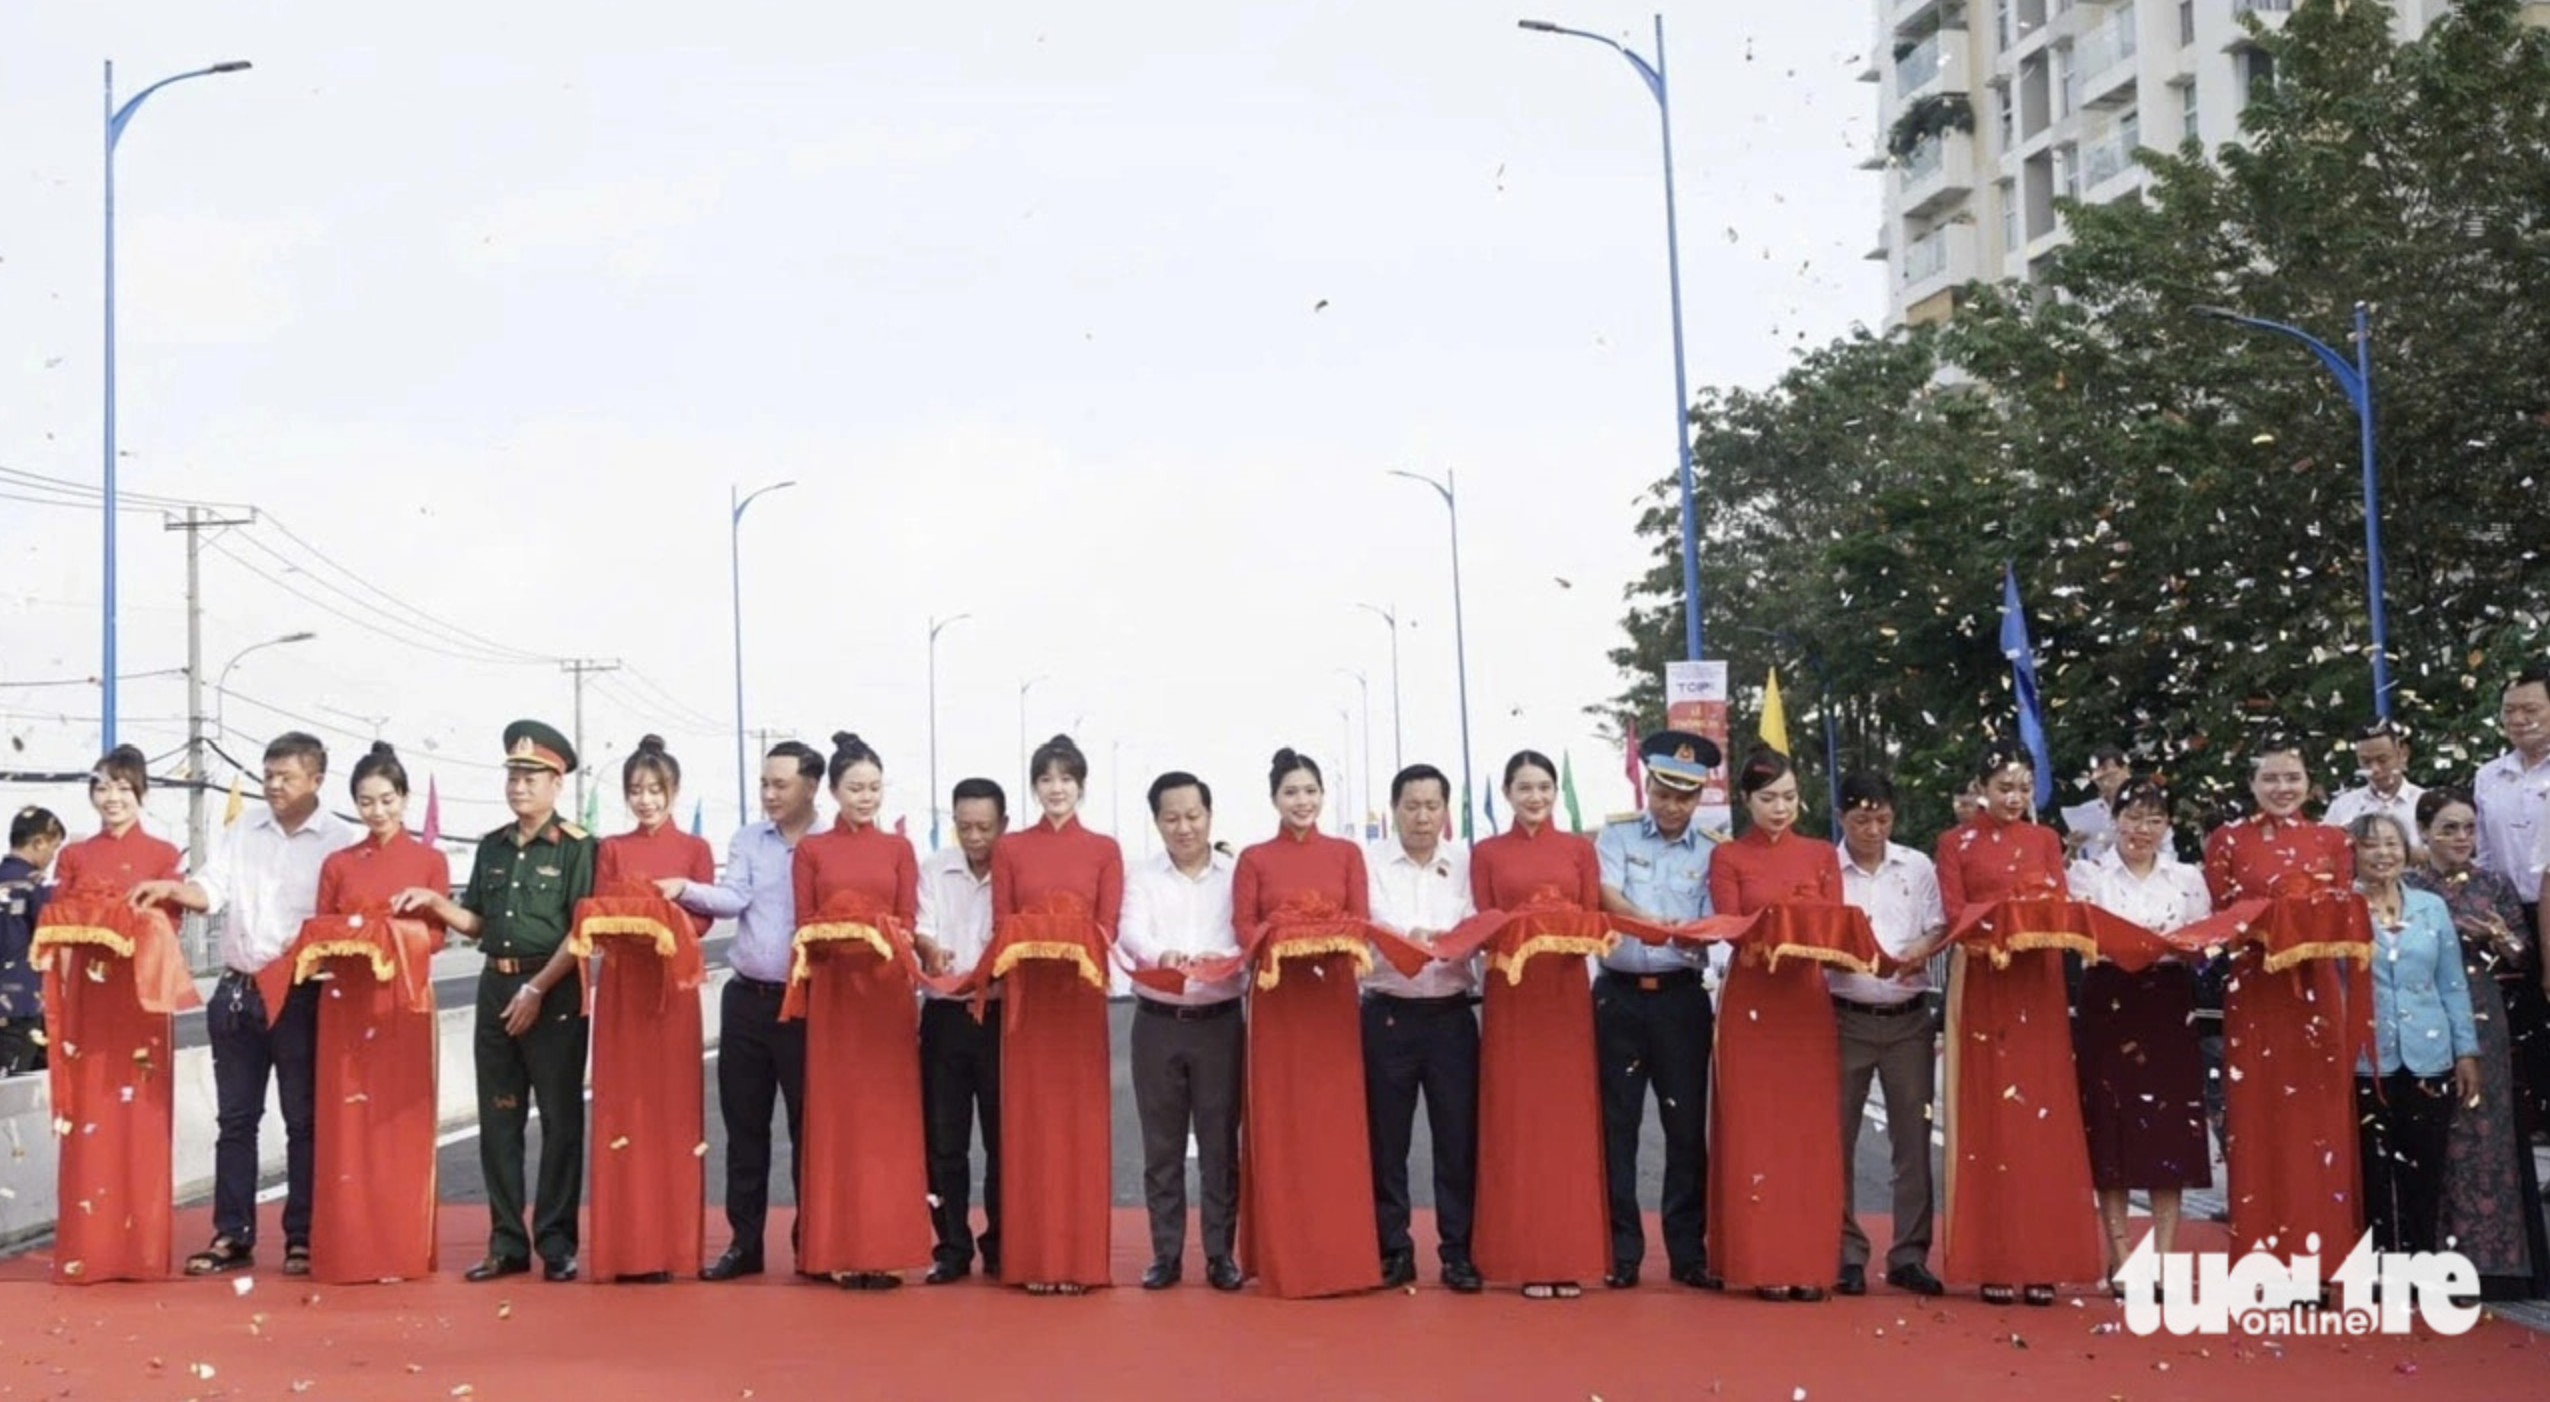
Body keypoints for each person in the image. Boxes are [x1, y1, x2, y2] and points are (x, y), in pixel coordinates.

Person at [128, 731, 356, 1280]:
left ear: (316, 780)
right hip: (237, 991)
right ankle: (232, 1234)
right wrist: (171, 890)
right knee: (235, 1120)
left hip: (302, 993)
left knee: (303, 1121)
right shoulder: (242, 831)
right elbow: (210, 889)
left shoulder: (340, 841)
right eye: (268, 775)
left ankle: (302, 1236)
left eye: (287, 777)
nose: (274, 786)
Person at [393, 720, 596, 1283]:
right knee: (499, 1120)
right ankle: (506, 1241)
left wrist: (537, 988)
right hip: (496, 987)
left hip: (552, 993)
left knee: (559, 1121)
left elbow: (582, 931)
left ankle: (555, 1241)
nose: (519, 786)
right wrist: (436, 902)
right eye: (513, 775)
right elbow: (479, 921)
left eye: (532, 776)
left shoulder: (579, 848)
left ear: (557, 783)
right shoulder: (492, 847)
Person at [1935, 741, 2103, 1307]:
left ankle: (2045, 1260)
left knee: (2043, 1120)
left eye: (2023, 788)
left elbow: (2058, 904)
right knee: (1991, 1120)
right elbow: (1957, 915)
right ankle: (1994, 1258)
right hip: (1985, 983)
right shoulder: (1955, 844)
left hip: (2040, 987)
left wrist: (2036, 919)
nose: (2014, 797)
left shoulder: (2046, 841)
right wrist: (2004, 922)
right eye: (2004, 787)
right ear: (1982, 788)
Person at [1707, 748, 1868, 1303]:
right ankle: (1760, 1260)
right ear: (1746, 800)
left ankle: (1809, 1263)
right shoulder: (1727, 856)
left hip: (1804, 1002)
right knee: (1756, 1131)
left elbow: (1834, 924)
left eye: (1789, 798)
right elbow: (1731, 927)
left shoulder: (1822, 854)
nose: (1780, 808)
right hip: (1752, 1001)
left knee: (1807, 1132)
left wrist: (1793, 926)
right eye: (1768, 798)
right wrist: (1778, 924)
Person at [2201, 733, 2365, 1278]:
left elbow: (2341, 914)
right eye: (2269, 778)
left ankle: (2319, 1257)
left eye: (2291, 777)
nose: (2281, 787)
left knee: (2316, 1121)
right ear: (2252, 784)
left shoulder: (2333, 839)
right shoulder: (2227, 840)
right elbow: (2222, 917)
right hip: (2255, 989)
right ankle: (2261, 1258)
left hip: (2315, 994)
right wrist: (2270, 921)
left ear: (2309, 783)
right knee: (2258, 1117)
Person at [663, 740, 824, 1281]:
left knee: (811, 1130)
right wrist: (685, 889)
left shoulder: (831, 844)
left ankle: (814, 1243)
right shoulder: (749, 840)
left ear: (811, 787)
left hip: (808, 1004)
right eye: (764, 783)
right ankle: (744, 1243)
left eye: (781, 784)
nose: (769, 794)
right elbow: (733, 898)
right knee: (745, 1128)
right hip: (749, 1000)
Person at [786, 732, 933, 1289]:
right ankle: (840, 1248)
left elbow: (907, 920)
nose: (866, 797)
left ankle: (890, 1246)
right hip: (834, 994)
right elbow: (803, 924)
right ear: (833, 791)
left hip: (886, 994)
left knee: (888, 1122)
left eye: (874, 787)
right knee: (837, 1121)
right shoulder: (813, 851)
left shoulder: (898, 849)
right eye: (855, 788)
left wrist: (886, 934)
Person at [1232, 749, 1380, 1299]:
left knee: (1335, 1127)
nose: (1303, 801)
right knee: (1283, 1123)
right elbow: (1244, 930)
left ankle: (1345, 1260)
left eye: (1311, 791)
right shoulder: (1254, 859)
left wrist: (1323, 929)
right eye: (1291, 792)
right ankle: (1287, 1259)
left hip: (1332, 1004)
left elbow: (1360, 924)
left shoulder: (1346, 854)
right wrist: (1284, 930)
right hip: (1278, 1005)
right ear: (1274, 799)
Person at [300, 742, 448, 1283]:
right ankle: (347, 1248)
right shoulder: (338, 863)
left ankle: (400, 1249)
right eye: (366, 802)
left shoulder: (429, 861)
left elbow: (436, 937)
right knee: (345, 1126)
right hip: (345, 1006)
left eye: (387, 799)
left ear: (405, 800)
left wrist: (389, 931)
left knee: (399, 1129)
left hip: (402, 1006)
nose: (378, 811)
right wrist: (355, 935)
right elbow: (319, 930)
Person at [43, 746, 190, 1283]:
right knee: (90, 1118)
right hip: (89, 1001)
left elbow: (169, 928)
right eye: (102, 788)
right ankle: (90, 1247)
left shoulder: (163, 854)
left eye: (123, 789)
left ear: (141, 794)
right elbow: (55, 924)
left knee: (141, 1119)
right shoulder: (75, 857)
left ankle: (141, 1252)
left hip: (141, 1002)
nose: (112, 799)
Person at [1468, 750, 1610, 1300]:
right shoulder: (1487, 853)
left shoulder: (1578, 850)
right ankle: (1522, 1256)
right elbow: (1482, 922)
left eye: (1544, 787)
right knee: (1517, 1124)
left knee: (1567, 1126)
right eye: (1524, 788)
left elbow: (1593, 915)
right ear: (1507, 793)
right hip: (1511, 995)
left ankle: (1570, 1256)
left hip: (1566, 996)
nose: (1536, 797)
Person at [985, 733, 1121, 1295]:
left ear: (1081, 786)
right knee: (1030, 1127)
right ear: (1035, 786)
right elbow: (1002, 926)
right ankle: (1035, 1261)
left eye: (1066, 778)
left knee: (1079, 1129)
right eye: (1046, 779)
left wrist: (1068, 935)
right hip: (1029, 1004)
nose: (1056, 788)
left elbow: (1107, 927)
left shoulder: (1104, 849)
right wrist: (1039, 935)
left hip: (1079, 1003)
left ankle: (1080, 1263)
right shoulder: (1011, 848)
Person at [2068, 778, 2212, 1295]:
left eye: (2154, 819)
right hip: (2109, 998)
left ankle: (2167, 1256)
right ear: (2115, 819)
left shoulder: (2188, 878)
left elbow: (2203, 942)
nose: (2141, 830)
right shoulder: (2087, 874)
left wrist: (2189, 945)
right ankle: (2121, 1253)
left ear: (2168, 825)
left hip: (2168, 1001)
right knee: (2112, 1125)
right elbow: (2080, 937)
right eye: (2132, 817)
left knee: (2168, 1129)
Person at [1590, 730, 1720, 1291]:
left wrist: (1697, 938)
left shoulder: (1714, 849)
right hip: (1618, 998)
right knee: (1617, 1127)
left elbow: (1717, 918)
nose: (1673, 807)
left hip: (1680, 1001)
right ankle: (1621, 1252)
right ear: (1648, 785)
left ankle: (1688, 1252)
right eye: (1665, 792)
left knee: (1685, 1128)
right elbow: (1607, 896)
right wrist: (1660, 926)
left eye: (1686, 797)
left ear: (1699, 798)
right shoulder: (1616, 836)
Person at [582, 735, 715, 1283]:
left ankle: (674, 1247)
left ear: (674, 791)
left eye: (655, 790)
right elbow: (596, 913)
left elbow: (704, 918)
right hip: (622, 991)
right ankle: (625, 1248)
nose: (646, 801)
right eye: (636, 791)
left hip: (672, 990)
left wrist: (665, 916)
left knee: (673, 1112)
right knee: (623, 1110)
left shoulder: (694, 850)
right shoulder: (611, 848)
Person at [2406, 789, 2548, 1298]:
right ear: (2424, 832)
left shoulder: (2494, 883)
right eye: (2448, 828)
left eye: (2468, 828)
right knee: (2429, 1130)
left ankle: (2494, 1262)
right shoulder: (2408, 885)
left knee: (2485, 1129)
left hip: (2483, 1012)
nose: (2461, 838)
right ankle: (2427, 1257)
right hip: (2420, 1011)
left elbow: (2520, 956)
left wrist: (2499, 938)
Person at [1116, 771, 1244, 1292]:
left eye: (1193, 816)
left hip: (1219, 1022)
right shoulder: (1142, 877)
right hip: (1158, 1021)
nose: (1184, 827)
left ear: (1210, 816)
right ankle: (1164, 1254)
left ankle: (1220, 1255)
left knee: (1219, 1144)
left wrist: (1227, 959)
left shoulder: (1235, 874)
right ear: (1157, 822)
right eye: (1172, 818)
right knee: (1162, 1146)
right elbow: (1130, 932)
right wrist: (1160, 955)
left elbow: (1250, 931)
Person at [1362, 763, 1483, 1294]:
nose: (1422, 816)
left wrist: (1452, 938)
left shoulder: (1465, 863)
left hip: (1452, 1014)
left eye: (1432, 805)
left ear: (1445, 810)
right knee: (1387, 1141)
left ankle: (1458, 1251)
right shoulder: (1368, 863)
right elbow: (1370, 922)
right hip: (1389, 1011)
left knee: (1457, 1139)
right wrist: (1408, 937)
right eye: (1411, 805)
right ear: (1394, 809)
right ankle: (1393, 1247)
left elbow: (1479, 921)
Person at [1830, 771, 1948, 1298]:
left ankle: (1909, 1253)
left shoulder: (1917, 866)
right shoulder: (1826, 870)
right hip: (1843, 1014)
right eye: (1860, 820)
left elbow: (1937, 926)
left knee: (1913, 1140)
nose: (1873, 830)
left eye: (1882, 819)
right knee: (1837, 1140)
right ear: (1841, 817)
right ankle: (1845, 1252)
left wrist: (1918, 952)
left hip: (1907, 1018)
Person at [2350, 813, 2482, 1256]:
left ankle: (2423, 1259)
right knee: (2371, 1169)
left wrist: (2466, 1049)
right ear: (2352, 853)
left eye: (2391, 843)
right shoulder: (2336, 907)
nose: (2383, 854)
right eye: (2370, 845)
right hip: (2366, 1058)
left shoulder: (2431, 907)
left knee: (2426, 1167)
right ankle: (2379, 1261)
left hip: (2431, 1054)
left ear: (2406, 850)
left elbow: (2451, 982)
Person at [914, 777, 1007, 1285]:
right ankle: (951, 1245)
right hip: (946, 1015)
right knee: (944, 1140)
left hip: (997, 1017)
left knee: (1002, 1139)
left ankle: (1001, 1244)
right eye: (965, 826)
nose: (975, 837)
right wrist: (929, 950)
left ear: (1004, 825)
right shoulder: (934, 868)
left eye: (985, 827)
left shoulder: (1015, 873)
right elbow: (921, 924)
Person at [2474, 667, 2550, 1134]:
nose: (2519, 719)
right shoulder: (2489, 776)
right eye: (2510, 711)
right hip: (2508, 916)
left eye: (2531, 709)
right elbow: (2481, 854)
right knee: (2528, 1032)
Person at [1, 806, 67, 1075]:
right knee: (19, 1090)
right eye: (54, 847)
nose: (53, 857)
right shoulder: (34, 887)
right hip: (23, 1005)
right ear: (38, 842)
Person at [2063, 746, 2133, 862]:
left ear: (2125, 770)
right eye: (2100, 779)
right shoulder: (2086, 811)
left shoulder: (2144, 806)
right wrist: (2073, 848)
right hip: (2093, 875)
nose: (2106, 783)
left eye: (2111, 776)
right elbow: (2068, 868)